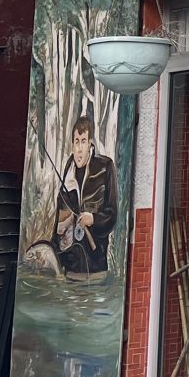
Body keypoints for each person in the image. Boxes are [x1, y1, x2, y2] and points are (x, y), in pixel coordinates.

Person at [54, 114, 117, 278]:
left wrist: (93, 219)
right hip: (70, 269)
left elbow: (112, 216)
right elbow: (59, 218)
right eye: (76, 142)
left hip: (96, 267)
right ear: (72, 145)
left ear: (90, 144)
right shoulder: (68, 172)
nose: (80, 148)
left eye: (83, 141)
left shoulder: (105, 167)